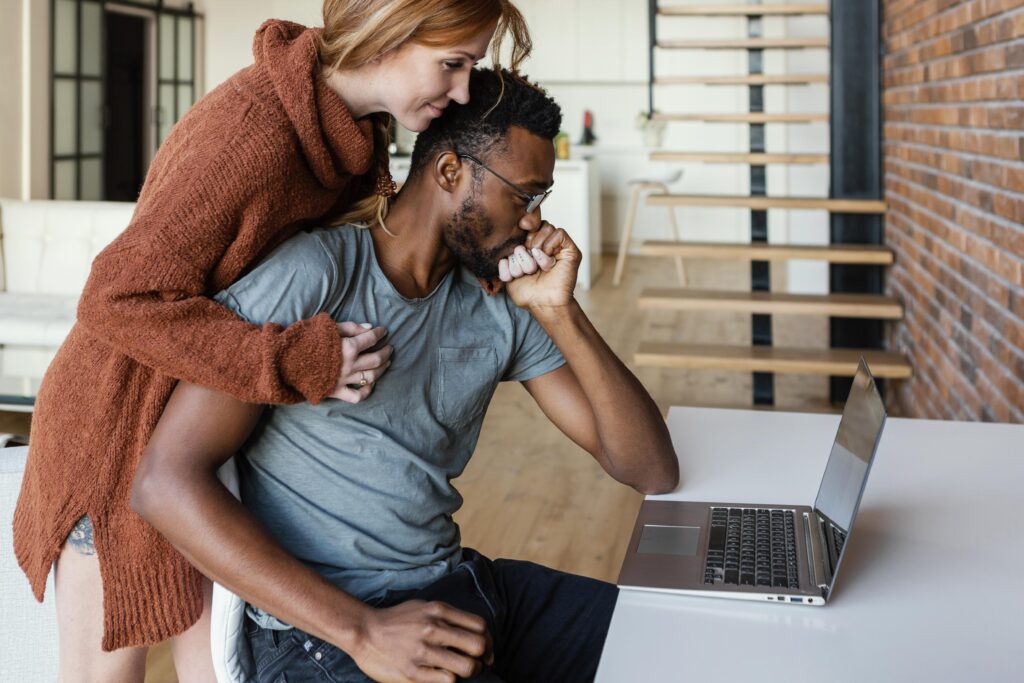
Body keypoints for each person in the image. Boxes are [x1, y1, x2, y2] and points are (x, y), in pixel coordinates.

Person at [12, 2, 531, 681]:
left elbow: (377, 233)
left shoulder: (353, 130)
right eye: (451, 64)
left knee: (217, 670)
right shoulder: (252, 132)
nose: (463, 90)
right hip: (113, 425)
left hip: (196, 425)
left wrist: (481, 260)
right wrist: (292, 361)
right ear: (393, 33)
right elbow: (115, 295)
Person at [132, 68, 679, 683]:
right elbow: (164, 483)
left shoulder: (500, 301)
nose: (532, 221)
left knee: (676, 641)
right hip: (329, 635)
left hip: (458, 587)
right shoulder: (318, 274)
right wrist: (363, 632)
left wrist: (561, 311)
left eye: (540, 201)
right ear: (450, 173)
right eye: (523, 196)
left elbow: (649, 469)